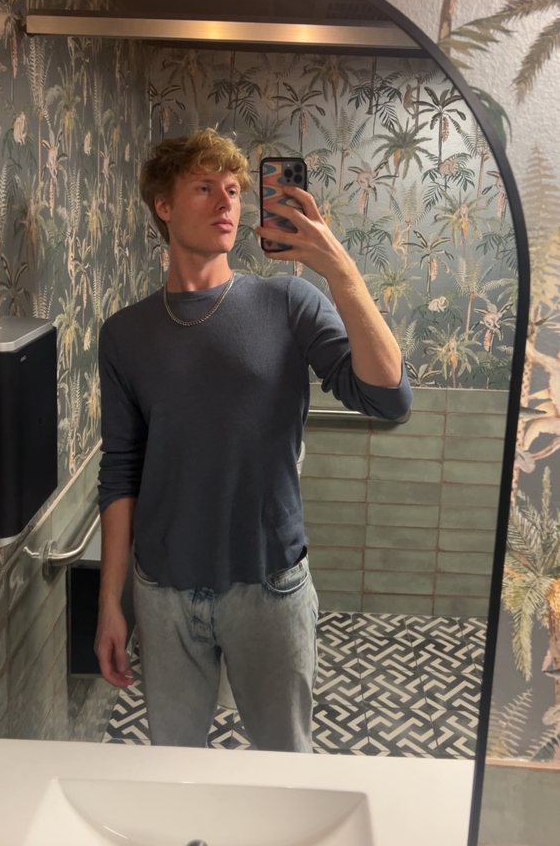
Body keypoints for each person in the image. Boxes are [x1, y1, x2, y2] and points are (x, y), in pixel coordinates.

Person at [94, 127, 412, 753]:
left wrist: (339, 268)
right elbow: (121, 470)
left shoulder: (288, 302)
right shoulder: (125, 334)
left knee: (285, 763)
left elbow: (389, 398)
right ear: (163, 205)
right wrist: (112, 600)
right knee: (175, 767)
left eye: (235, 190)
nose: (227, 202)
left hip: (271, 586)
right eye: (204, 188)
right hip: (161, 591)